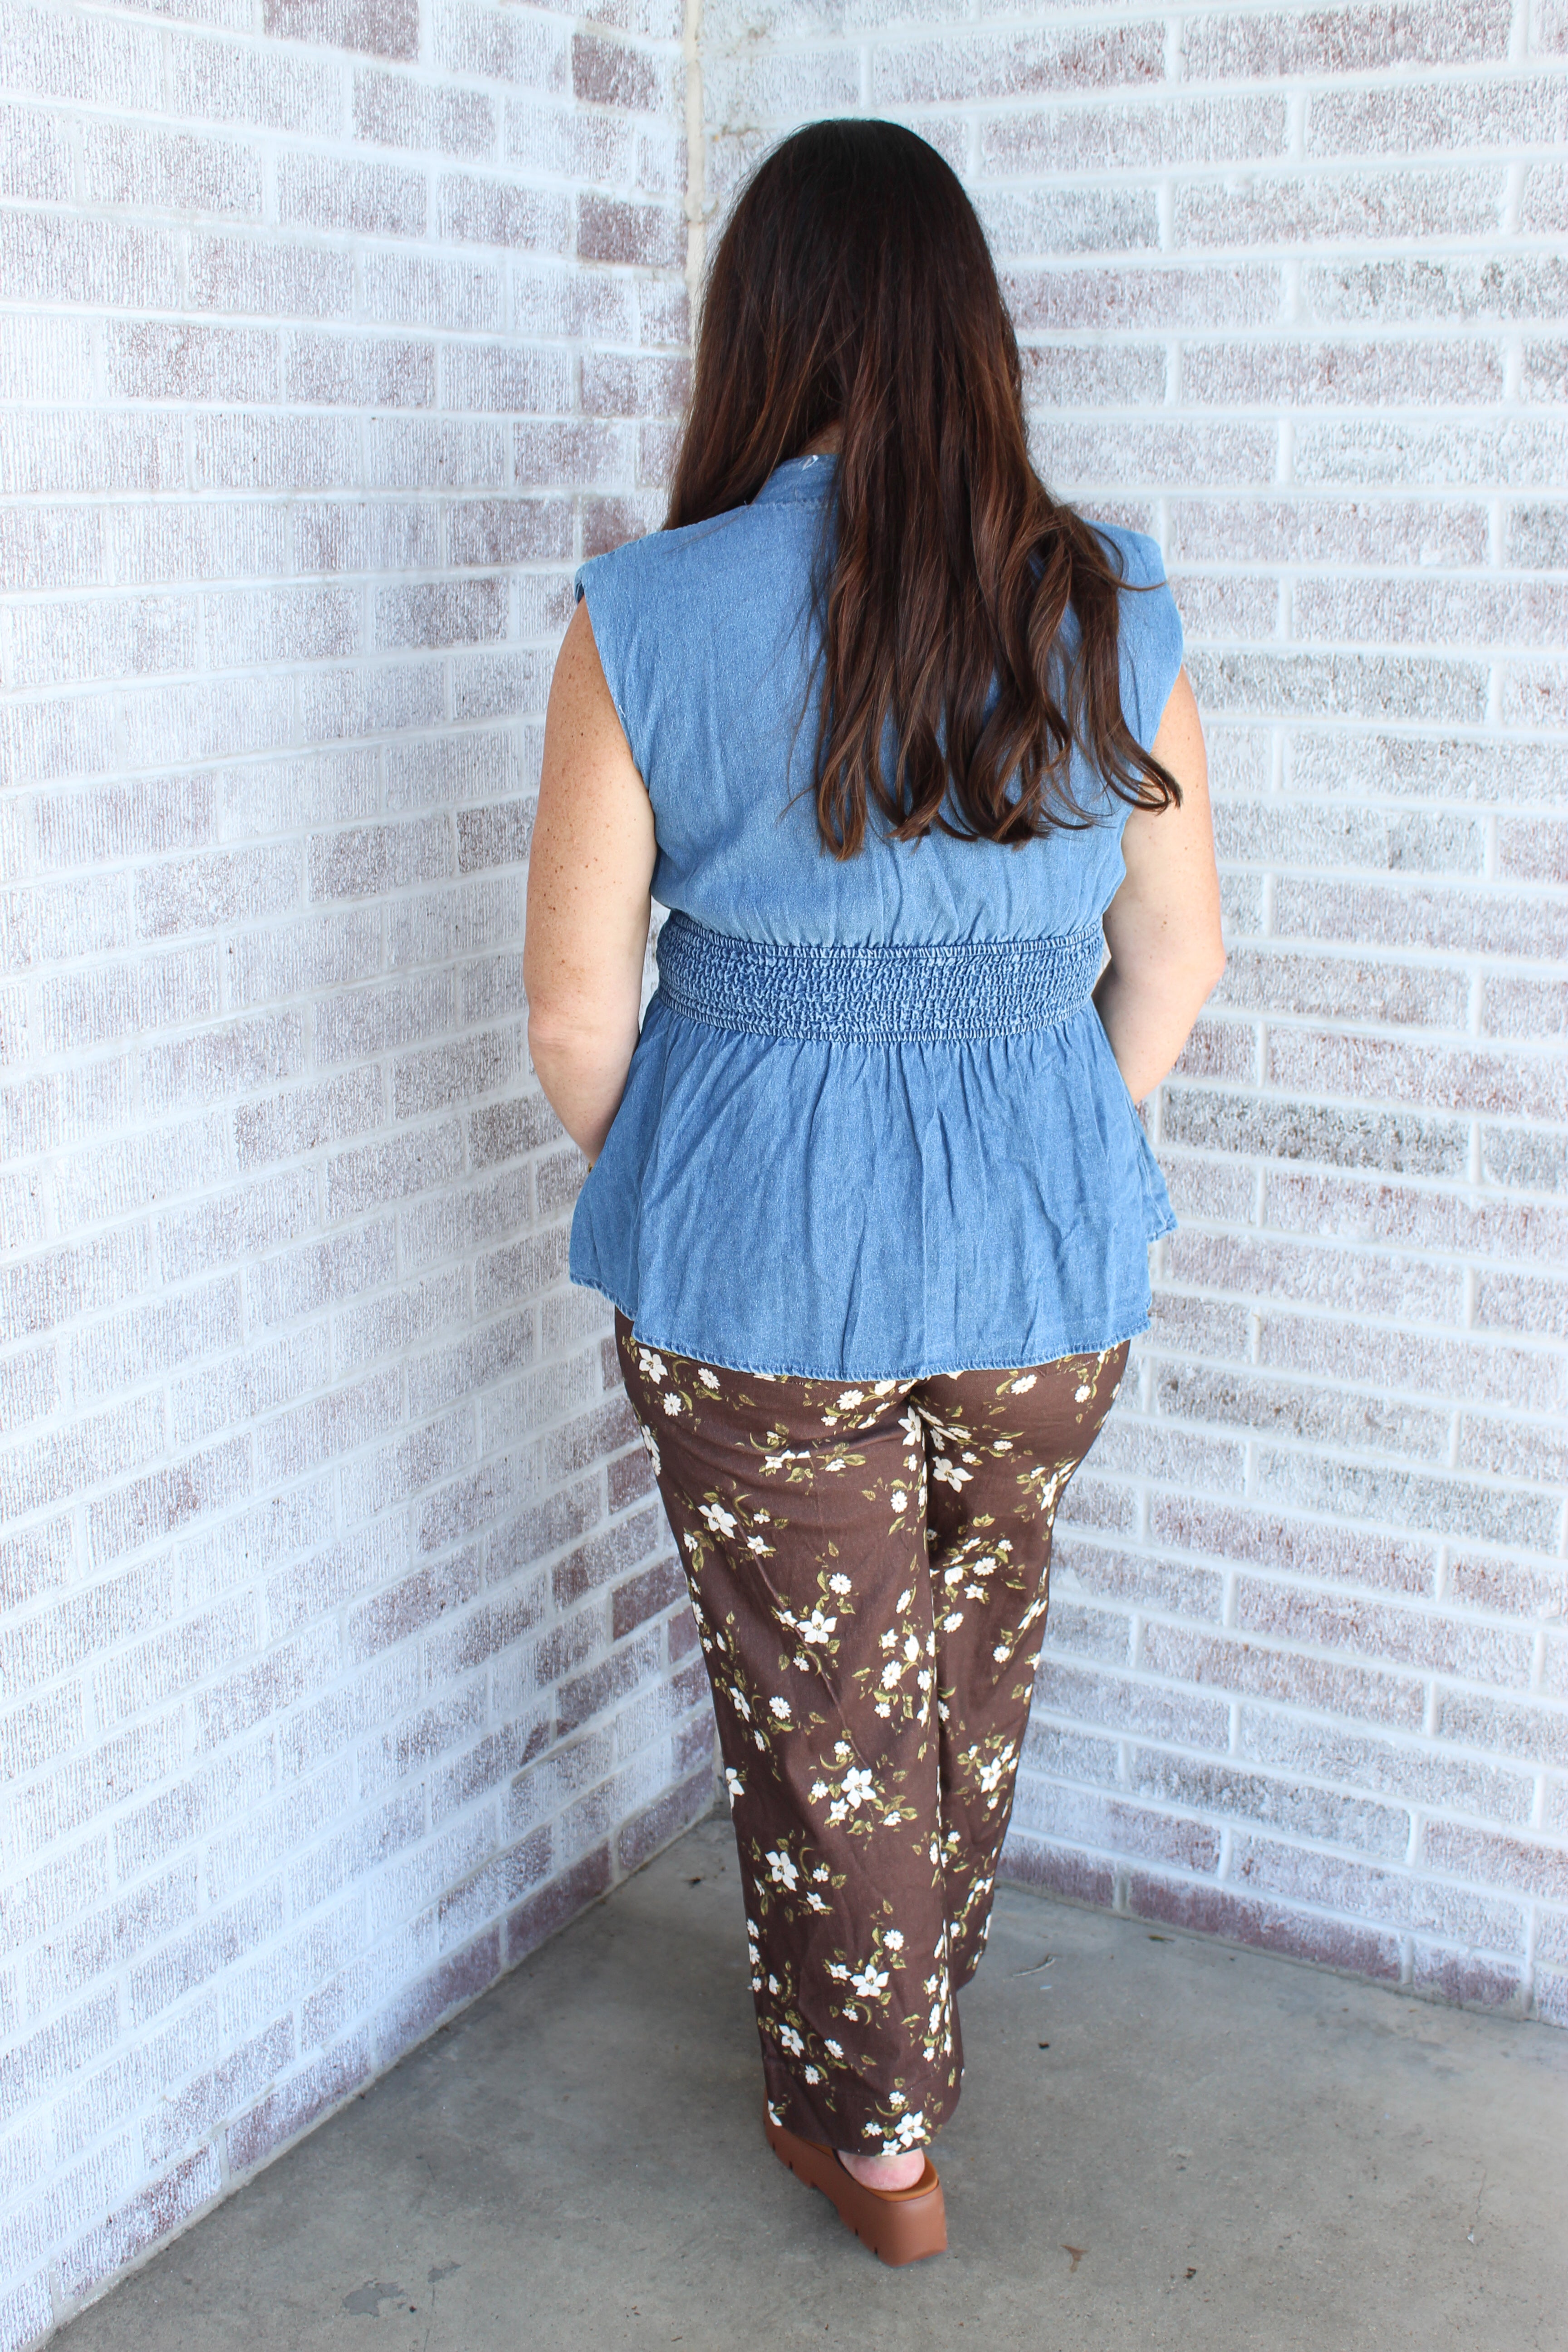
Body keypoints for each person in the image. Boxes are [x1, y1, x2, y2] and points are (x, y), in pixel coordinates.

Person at [522, 118, 1225, 2265]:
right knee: (968, 1654)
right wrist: (1047, 1148)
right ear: (969, 334)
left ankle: (880, 2134)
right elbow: (1177, 959)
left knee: (821, 1699)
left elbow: (573, 1011)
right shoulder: (1105, 599)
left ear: (762, 333)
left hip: (758, 1268)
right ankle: (905, 2034)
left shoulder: (648, 614)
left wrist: (700, 1184)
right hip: (1048, 1269)